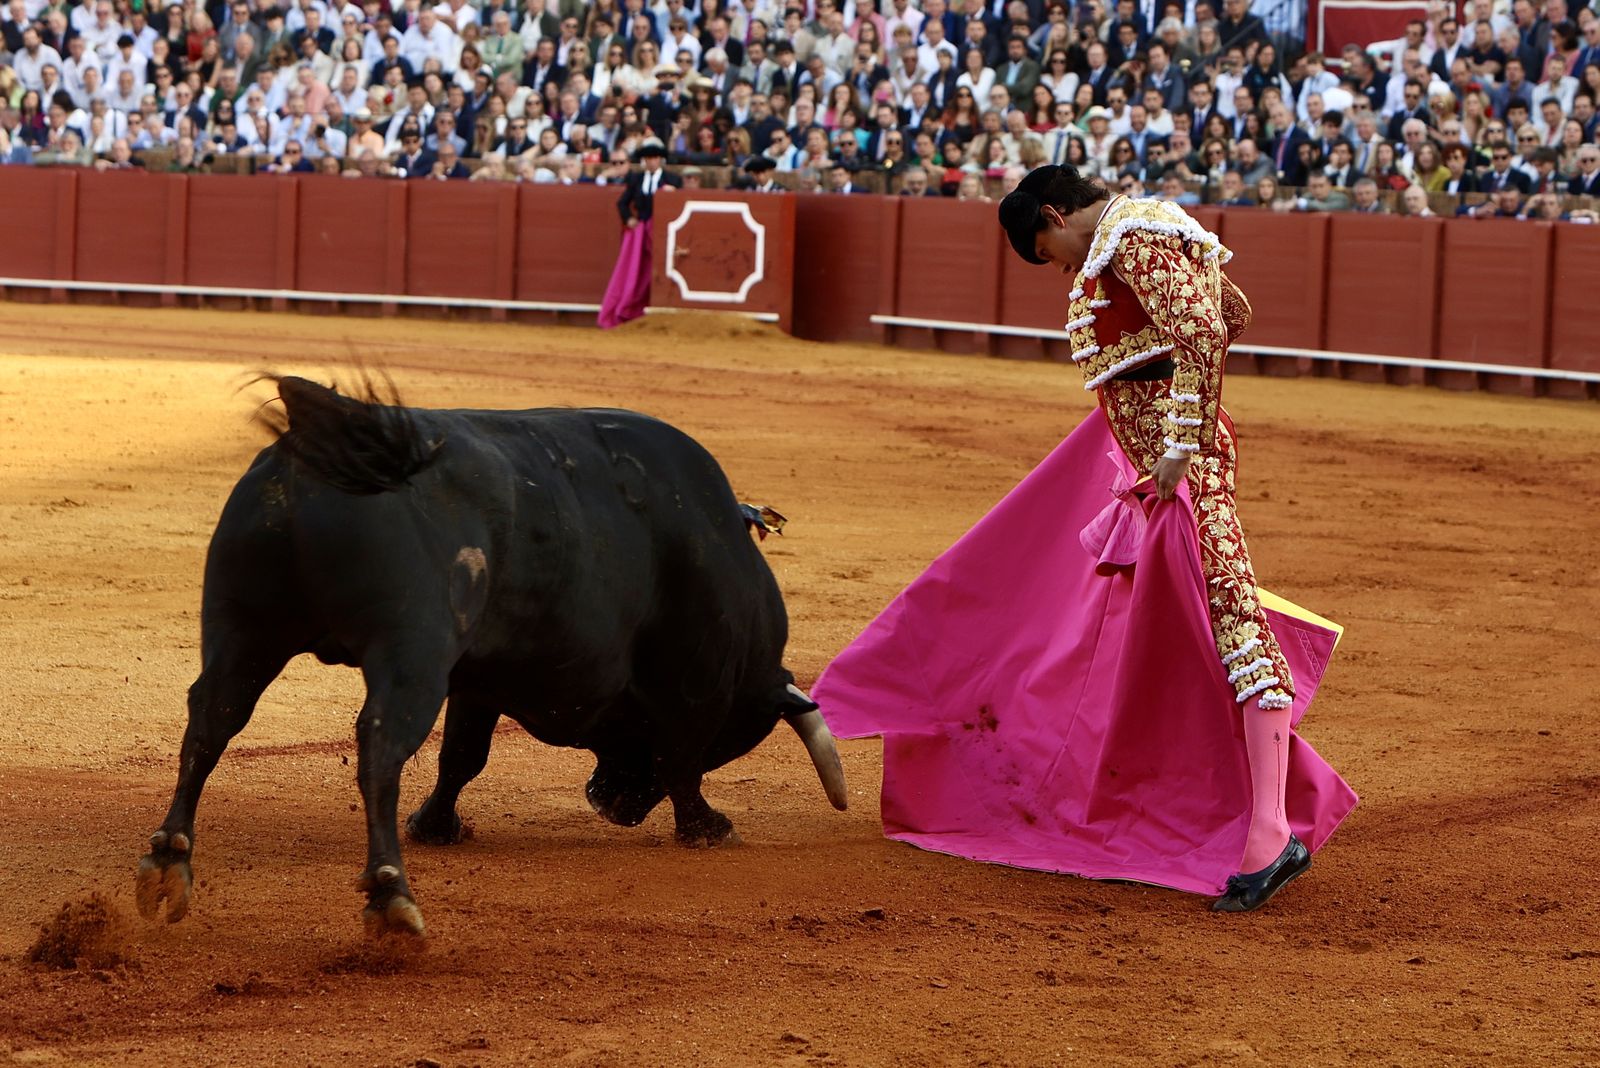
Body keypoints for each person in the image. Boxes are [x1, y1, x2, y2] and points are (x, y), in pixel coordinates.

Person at [816, 164, 1354, 914]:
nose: (1062, 267)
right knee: (1186, 620)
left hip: (1182, 466)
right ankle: (1242, 811)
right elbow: (1234, 310)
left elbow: (1203, 328)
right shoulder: (1154, 230)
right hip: (1164, 466)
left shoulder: (1127, 238)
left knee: (1229, 616)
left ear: (1052, 213)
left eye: (1052, 250)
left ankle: (1270, 831)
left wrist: (1176, 437)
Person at [598, 140, 682, 329]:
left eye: (654, 158)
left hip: (664, 232)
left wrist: (673, 194)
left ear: (660, 160)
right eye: (648, 158)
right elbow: (622, 203)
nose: (651, 162)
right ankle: (631, 310)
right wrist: (629, 219)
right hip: (642, 231)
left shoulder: (672, 180)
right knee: (637, 270)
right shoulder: (636, 179)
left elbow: (680, 204)